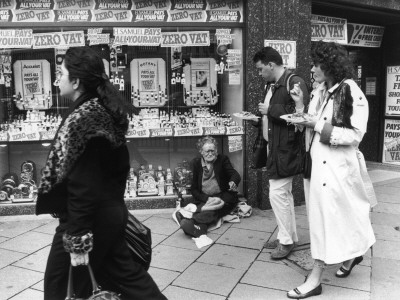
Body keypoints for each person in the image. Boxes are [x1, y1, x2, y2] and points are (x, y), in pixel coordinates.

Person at [36, 47, 166, 300]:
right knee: (130, 280)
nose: (56, 80)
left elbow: (84, 183)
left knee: (59, 286)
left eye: (60, 74)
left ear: (75, 81)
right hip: (107, 215)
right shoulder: (99, 112)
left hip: (88, 220)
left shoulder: (86, 119)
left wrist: (77, 237)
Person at [287, 41, 376, 299]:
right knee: (334, 217)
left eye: (316, 64)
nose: (312, 69)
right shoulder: (321, 90)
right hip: (316, 166)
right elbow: (311, 121)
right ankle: (353, 254)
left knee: (325, 221)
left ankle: (315, 278)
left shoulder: (350, 91)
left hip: (336, 170)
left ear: (329, 65)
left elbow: (356, 134)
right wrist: (301, 107)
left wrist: (316, 125)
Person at [251, 46, 310, 259]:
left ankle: (285, 241)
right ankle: (289, 237)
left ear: (271, 65)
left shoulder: (294, 82)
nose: (259, 73)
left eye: (260, 69)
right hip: (276, 147)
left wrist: (270, 111)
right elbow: (273, 118)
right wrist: (258, 120)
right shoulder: (273, 84)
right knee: (282, 194)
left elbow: (302, 114)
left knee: (277, 194)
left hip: (287, 149)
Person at [173, 136, 241, 237]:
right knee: (206, 209)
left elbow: (235, 175)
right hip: (205, 198)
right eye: (207, 151)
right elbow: (194, 189)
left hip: (222, 196)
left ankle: (191, 222)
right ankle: (198, 228)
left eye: (212, 151)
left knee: (215, 208)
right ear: (201, 151)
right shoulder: (195, 163)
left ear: (216, 150)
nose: (210, 153)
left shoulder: (222, 159)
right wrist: (207, 198)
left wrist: (232, 182)